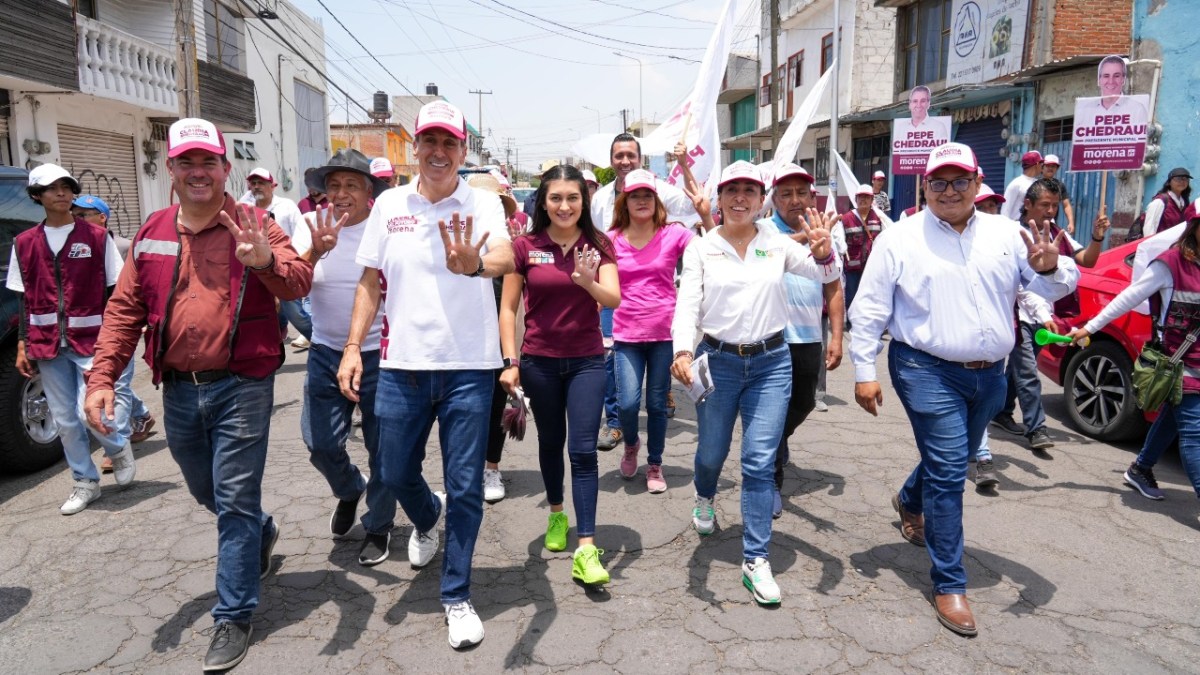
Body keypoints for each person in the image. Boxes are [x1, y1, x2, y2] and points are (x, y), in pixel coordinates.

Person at [84, 117, 313, 671]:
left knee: (233, 497)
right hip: (180, 390)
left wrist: (263, 260)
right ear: (171, 169)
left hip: (243, 385)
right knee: (207, 489)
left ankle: (233, 614)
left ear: (225, 168)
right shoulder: (154, 230)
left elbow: (299, 279)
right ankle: (260, 529)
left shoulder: (254, 223)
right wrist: (101, 378)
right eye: (186, 162)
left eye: (207, 161)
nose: (198, 172)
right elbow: (124, 311)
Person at [849, 142, 1078, 637]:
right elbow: (868, 308)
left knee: (944, 459)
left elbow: (1052, 289)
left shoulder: (1008, 234)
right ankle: (950, 583)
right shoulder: (900, 238)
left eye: (959, 181)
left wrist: (1047, 268)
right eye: (939, 182)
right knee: (953, 469)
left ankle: (910, 500)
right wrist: (863, 368)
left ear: (978, 184)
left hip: (991, 376)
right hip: (924, 368)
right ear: (924, 187)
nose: (949, 191)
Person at [338, 100, 514, 649]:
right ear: (415, 148)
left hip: (468, 367)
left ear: (463, 150)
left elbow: (508, 257)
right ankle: (426, 516)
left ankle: (456, 595)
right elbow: (370, 281)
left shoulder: (482, 203)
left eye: (450, 144)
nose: (439, 153)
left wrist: (474, 265)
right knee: (390, 471)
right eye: (429, 143)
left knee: (466, 486)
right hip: (400, 367)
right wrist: (351, 347)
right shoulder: (390, 203)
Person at [671, 161, 841, 606]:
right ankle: (704, 496)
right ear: (721, 197)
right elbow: (687, 303)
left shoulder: (777, 243)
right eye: (733, 190)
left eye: (750, 190)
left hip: (771, 363)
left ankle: (755, 558)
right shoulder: (702, 247)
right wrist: (682, 351)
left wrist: (824, 252)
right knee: (711, 451)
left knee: (759, 460)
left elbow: (823, 273)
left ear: (760, 198)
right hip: (717, 362)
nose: (741, 198)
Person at [499, 164, 620, 584]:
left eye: (573, 198)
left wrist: (587, 282)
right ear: (542, 202)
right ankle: (556, 513)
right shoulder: (524, 246)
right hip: (539, 362)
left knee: (583, 451)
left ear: (583, 201)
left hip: (587, 361)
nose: (565, 206)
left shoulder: (598, 244)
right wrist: (511, 362)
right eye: (556, 198)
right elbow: (509, 308)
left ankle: (586, 547)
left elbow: (615, 298)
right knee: (551, 442)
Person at [289, 148, 397, 566]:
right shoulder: (310, 224)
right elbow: (292, 285)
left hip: (381, 355)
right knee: (319, 443)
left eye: (352, 184)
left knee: (383, 448)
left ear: (370, 192)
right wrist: (315, 250)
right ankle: (351, 488)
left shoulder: (385, 228)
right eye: (333, 185)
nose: (341, 193)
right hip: (325, 351)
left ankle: (379, 524)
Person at [7, 165, 135, 515]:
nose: (62, 193)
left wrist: (117, 335)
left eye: (67, 187)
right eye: (52, 188)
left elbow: (117, 289)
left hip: (91, 340)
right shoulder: (24, 244)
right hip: (47, 343)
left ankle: (118, 446)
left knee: (89, 410)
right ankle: (85, 482)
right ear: (37, 196)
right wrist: (22, 343)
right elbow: (23, 298)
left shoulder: (96, 238)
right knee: (64, 419)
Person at [1068, 216, 1200, 505]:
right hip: (1180, 363)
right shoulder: (1171, 264)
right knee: (1194, 433)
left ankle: (1140, 469)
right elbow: (1128, 297)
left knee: (1171, 420)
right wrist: (1090, 328)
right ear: (1194, 228)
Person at [591, 133, 704, 450]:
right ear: (611, 160)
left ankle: (657, 413)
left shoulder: (664, 198)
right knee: (613, 369)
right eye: (619, 155)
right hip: (614, 297)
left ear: (639, 158)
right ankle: (615, 424)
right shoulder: (600, 199)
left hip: (660, 316)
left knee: (653, 392)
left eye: (630, 155)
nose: (624, 160)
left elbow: (694, 206)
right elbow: (591, 241)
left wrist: (684, 166)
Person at [760, 163, 845, 518]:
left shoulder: (825, 233)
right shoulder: (762, 230)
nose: (794, 200)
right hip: (771, 337)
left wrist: (837, 336)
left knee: (805, 403)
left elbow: (834, 284)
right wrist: (804, 240)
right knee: (773, 412)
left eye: (801, 193)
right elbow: (767, 251)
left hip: (809, 336)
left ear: (812, 196)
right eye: (786, 193)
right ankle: (770, 481)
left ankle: (775, 445)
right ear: (774, 199)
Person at [607, 168, 696, 493]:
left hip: (664, 336)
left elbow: (711, 249)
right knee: (628, 404)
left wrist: (703, 211)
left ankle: (654, 463)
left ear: (656, 200)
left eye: (647, 195)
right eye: (635, 196)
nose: (642, 200)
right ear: (625, 201)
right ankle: (631, 444)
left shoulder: (673, 233)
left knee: (657, 404)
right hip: (626, 336)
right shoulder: (611, 238)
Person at [71, 195, 156, 448]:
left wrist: (142, 317)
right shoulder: (74, 247)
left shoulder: (122, 246)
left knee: (118, 383)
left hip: (119, 325)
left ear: (102, 217)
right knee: (107, 379)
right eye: (75, 214)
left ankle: (117, 445)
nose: (77, 218)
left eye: (84, 214)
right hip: (87, 328)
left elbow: (141, 286)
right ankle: (141, 414)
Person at [466, 171, 524, 504]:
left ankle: (491, 467)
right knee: (461, 411)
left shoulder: (515, 248)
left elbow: (516, 304)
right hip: (459, 341)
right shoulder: (453, 239)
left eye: (497, 204)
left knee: (494, 407)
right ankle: (464, 470)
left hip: (498, 342)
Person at [242, 167, 311, 349]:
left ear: (273, 186)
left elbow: (301, 234)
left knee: (294, 312)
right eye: (253, 183)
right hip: (256, 270)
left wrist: (295, 263)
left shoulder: (287, 207)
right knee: (268, 313)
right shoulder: (244, 207)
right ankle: (274, 345)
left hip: (283, 269)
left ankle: (321, 343)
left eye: (261, 183)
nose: (256, 187)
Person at [833, 183, 884, 317]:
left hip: (873, 266)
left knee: (872, 294)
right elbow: (838, 238)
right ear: (855, 200)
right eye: (860, 197)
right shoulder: (846, 218)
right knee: (852, 294)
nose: (863, 200)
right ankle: (851, 320)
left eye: (867, 197)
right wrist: (841, 247)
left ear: (872, 200)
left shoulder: (879, 218)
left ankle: (868, 319)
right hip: (853, 267)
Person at [1141, 168, 1192, 238]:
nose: (1182, 181)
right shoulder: (1160, 201)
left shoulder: (1185, 203)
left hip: (1175, 246)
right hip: (1160, 246)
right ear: (1169, 182)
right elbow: (1149, 227)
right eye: (1178, 178)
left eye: (1185, 179)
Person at [1001, 151, 1042, 221]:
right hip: (1017, 227)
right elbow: (1005, 211)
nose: (1042, 167)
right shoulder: (1016, 184)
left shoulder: (1039, 184)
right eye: (1041, 164)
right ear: (1037, 164)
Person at [1040, 155, 1076, 235]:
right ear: (1042, 167)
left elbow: (1066, 205)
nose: (1050, 168)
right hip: (1036, 224)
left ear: (1057, 169)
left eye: (1053, 166)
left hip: (1051, 225)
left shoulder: (1059, 186)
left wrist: (1071, 222)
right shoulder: (1035, 185)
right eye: (1048, 166)